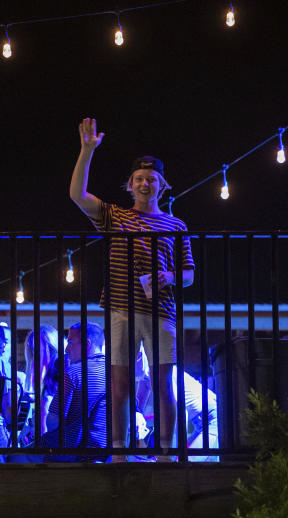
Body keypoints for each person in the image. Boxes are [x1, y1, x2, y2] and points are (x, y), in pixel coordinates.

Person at [69, 118, 195, 462]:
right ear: (130, 184)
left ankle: (167, 453)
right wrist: (87, 150)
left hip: (162, 313)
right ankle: (120, 453)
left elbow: (189, 274)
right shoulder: (116, 216)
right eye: (138, 179)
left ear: (162, 185)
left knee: (163, 385)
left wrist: (170, 277)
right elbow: (77, 195)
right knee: (120, 383)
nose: (144, 183)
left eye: (151, 179)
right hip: (121, 309)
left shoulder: (176, 225)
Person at [44, 321, 108, 461]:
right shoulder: (114, 372)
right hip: (106, 452)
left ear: (86, 343)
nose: (66, 349)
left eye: (70, 342)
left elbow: (53, 421)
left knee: (17, 459)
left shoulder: (75, 372)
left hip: (73, 451)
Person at [21, 325, 60, 442]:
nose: (34, 353)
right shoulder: (45, 369)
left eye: (37, 348)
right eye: (32, 349)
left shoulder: (59, 366)